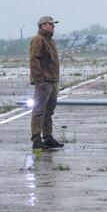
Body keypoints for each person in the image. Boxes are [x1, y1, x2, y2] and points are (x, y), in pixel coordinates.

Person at [29, 16, 64, 150]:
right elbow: (34, 59)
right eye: (51, 24)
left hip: (52, 80)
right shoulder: (38, 39)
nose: (53, 26)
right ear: (43, 25)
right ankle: (36, 139)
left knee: (49, 111)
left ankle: (48, 137)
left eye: (53, 24)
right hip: (43, 81)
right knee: (39, 111)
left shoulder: (51, 41)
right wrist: (39, 78)